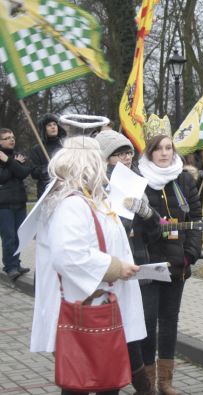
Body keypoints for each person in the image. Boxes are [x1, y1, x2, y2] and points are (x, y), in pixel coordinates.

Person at [29, 135, 146, 395]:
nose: (104, 169)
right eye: (100, 162)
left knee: (106, 378)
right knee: (82, 381)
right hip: (85, 305)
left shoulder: (94, 199)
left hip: (100, 302)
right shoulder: (71, 204)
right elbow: (68, 254)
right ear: (89, 164)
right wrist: (115, 267)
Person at [137, 134, 203, 394]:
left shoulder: (183, 179)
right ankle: (146, 382)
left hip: (178, 263)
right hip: (148, 263)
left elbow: (196, 218)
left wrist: (191, 254)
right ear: (149, 152)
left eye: (168, 148)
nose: (164, 153)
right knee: (147, 319)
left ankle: (166, 381)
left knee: (169, 321)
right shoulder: (139, 180)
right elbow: (132, 223)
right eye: (158, 149)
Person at [95, 129, 158, 394]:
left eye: (128, 152)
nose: (126, 158)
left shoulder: (139, 184)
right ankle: (114, 385)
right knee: (115, 334)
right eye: (118, 154)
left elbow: (156, 232)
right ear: (105, 160)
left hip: (139, 266)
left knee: (138, 329)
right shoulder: (97, 190)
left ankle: (144, 386)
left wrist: (146, 212)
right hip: (109, 273)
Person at [0, 128, 31, 280]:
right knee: (9, 237)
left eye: (12, 137)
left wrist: (9, 162)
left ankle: (17, 264)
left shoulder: (18, 155)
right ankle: (10, 266)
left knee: (19, 236)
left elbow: (24, 173)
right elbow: (3, 177)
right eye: (6, 138)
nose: (11, 140)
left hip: (20, 202)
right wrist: (14, 165)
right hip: (4, 205)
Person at [30, 113, 66, 198]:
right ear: (44, 129)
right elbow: (34, 173)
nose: (53, 127)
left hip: (64, 191)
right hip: (46, 192)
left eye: (54, 124)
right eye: (49, 125)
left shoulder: (65, 146)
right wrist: (50, 168)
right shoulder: (37, 149)